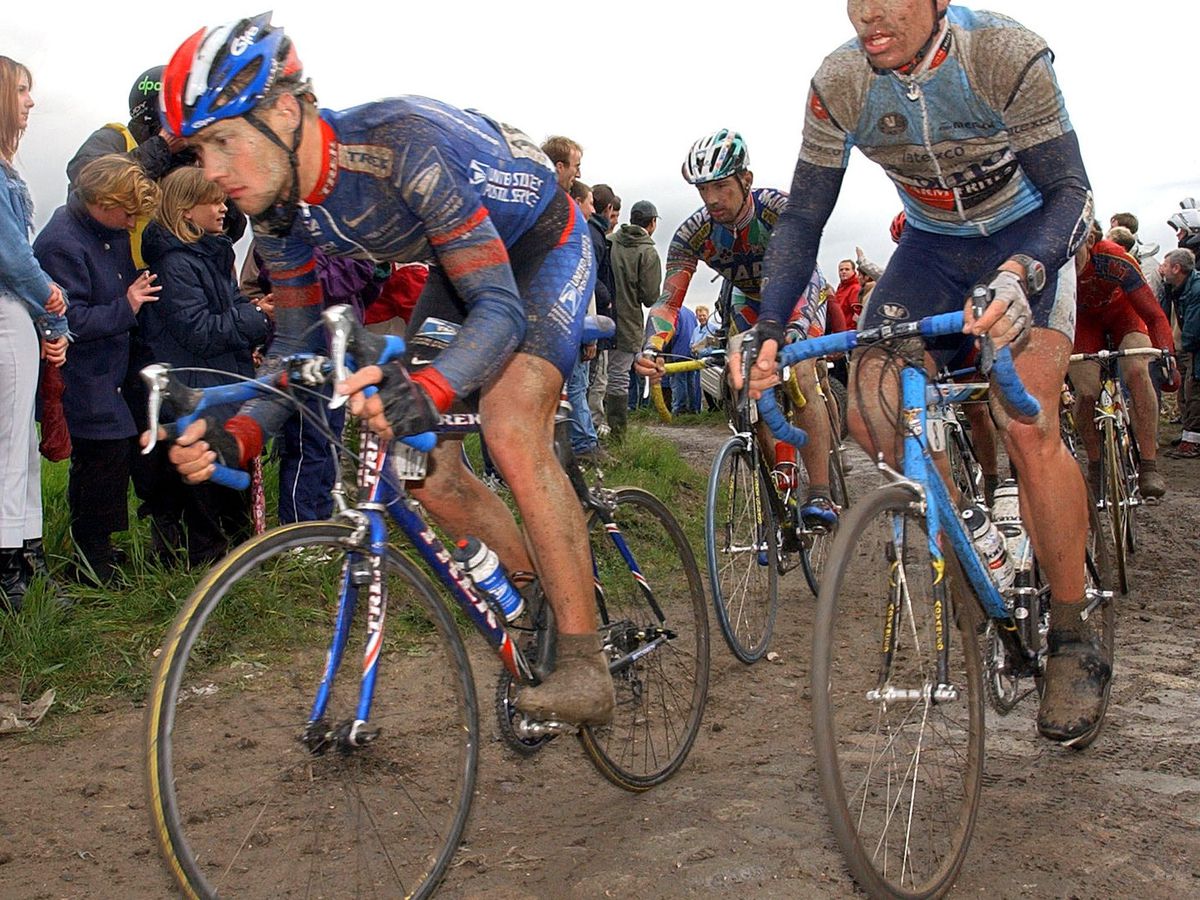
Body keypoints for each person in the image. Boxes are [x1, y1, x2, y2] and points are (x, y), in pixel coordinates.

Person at [157, 14, 609, 725]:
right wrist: (239, 432)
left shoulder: (402, 148)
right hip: (460, 265)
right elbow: (296, 343)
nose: (209, 170)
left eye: (222, 141)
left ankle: (587, 664)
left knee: (510, 427)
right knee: (419, 468)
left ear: (283, 111)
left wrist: (428, 387)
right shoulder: (279, 212)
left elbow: (500, 310)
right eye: (199, 149)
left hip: (542, 248)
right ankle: (538, 597)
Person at [745, 0, 1102, 745]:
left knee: (1025, 418)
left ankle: (1071, 637)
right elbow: (803, 221)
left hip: (1026, 237)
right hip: (932, 249)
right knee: (869, 408)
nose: (869, 13)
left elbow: (1074, 193)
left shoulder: (1004, 53)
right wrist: (770, 328)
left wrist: (1022, 271)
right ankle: (969, 525)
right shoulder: (840, 80)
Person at [637, 129, 837, 526]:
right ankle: (775, 489)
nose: (712, 199)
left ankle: (821, 493)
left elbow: (806, 270)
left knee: (800, 370)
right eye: (703, 189)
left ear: (745, 180)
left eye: (721, 186)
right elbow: (668, 300)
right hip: (748, 301)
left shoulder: (778, 208)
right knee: (741, 382)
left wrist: (795, 328)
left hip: (797, 291)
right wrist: (651, 347)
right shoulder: (693, 233)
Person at [33, 155, 160, 583]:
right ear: (103, 202)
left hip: (112, 375)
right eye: (127, 213)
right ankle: (92, 563)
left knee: (114, 460)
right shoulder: (60, 244)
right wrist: (126, 305)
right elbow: (67, 321)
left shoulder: (106, 229)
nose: (131, 223)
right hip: (82, 378)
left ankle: (100, 551)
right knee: (99, 464)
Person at [140, 166, 274, 564]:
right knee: (203, 497)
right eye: (213, 201)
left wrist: (253, 313)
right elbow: (198, 331)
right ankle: (205, 574)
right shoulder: (176, 265)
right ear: (185, 210)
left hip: (217, 385)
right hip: (194, 393)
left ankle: (230, 568)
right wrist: (259, 317)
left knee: (224, 493)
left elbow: (228, 311)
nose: (223, 208)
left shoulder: (211, 254)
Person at [0, 56, 70, 611]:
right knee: (9, 447)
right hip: (6, 314)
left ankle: (27, 559)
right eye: (22, 89)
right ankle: (12, 575)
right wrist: (53, 309)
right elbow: (14, 259)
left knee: (19, 446)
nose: (30, 101)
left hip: (15, 315)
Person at [1069, 224, 1177, 498]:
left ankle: (1149, 465)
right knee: (1086, 391)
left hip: (1124, 316)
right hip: (1082, 323)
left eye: (1075, 252)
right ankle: (1095, 463)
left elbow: (1153, 315)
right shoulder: (1051, 265)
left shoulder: (1115, 258)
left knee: (1138, 372)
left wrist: (1167, 355)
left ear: (1090, 240)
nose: (1069, 261)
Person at [608, 200, 663, 439]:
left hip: (597, 315)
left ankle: (591, 429)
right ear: (651, 224)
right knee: (619, 376)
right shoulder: (647, 251)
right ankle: (617, 434)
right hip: (627, 320)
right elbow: (650, 297)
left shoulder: (609, 241)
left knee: (595, 376)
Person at [564, 179, 604, 463]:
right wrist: (590, 333)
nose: (593, 208)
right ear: (577, 201)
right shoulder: (578, 235)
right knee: (577, 386)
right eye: (589, 202)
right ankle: (586, 445)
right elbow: (584, 285)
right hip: (574, 325)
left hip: (561, 324)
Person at [1160, 248, 1200, 458]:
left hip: (1194, 347)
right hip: (1189, 347)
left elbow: (1193, 327)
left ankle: (1192, 441)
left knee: (1194, 390)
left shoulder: (1196, 289)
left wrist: (1179, 347)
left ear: (1176, 268)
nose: (1162, 269)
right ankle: (1188, 434)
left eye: (1165, 265)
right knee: (1185, 389)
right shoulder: (1179, 288)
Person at [586, 184, 619, 435]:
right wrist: (606, 298)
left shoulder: (594, 234)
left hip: (594, 316)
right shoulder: (595, 236)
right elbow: (590, 275)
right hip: (596, 318)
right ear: (608, 208)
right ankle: (591, 432)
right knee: (596, 380)